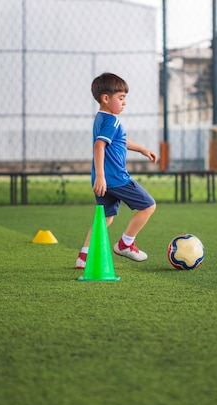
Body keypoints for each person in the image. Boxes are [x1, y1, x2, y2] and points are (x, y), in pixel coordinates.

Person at [76, 72, 157, 269]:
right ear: (105, 98)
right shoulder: (111, 120)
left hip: (104, 179)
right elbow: (99, 145)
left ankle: (84, 257)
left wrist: (142, 149)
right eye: (121, 98)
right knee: (148, 206)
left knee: (105, 218)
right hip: (115, 178)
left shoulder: (102, 118)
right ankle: (125, 244)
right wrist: (102, 176)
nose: (124, 103)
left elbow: (119, 141)